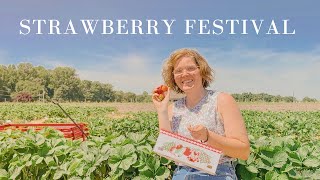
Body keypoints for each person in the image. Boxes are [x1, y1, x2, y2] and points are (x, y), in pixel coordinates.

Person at [152, 48, 250, 179]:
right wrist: (162, 110)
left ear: (202, 71)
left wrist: (208, 136)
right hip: (182, 173)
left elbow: (243, 152)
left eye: (191, 68)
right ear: (173, 77)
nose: (184, 74)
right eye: (178, 71)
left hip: (218, 173)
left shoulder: (222, 100)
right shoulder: (172, 108)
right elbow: (167, 150)